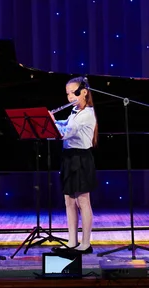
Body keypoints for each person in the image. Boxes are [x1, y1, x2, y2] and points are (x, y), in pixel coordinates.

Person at [50, 77, 98, 254]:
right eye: (68, 93)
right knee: (69, 200)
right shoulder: (75, 112)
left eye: (73, 93)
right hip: (69, 158)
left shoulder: (87, 114)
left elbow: (65, 133)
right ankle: (72, 241)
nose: (70, 97)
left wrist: (50, 121)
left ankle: (85, 243)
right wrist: (53, 121)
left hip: (81, 158)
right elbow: (64, 124)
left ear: (84, 92)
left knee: (83, 201)